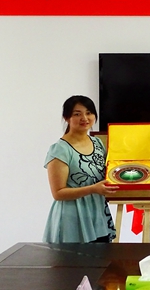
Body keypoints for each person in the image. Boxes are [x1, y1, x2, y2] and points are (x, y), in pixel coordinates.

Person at [43, 95, 118, 243]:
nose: (84, 118)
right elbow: (58, 193)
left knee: (102, 257)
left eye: (89, 113)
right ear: (66, 118)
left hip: (98, 216)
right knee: (76, 258)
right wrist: (92, 189)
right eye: (77, 114)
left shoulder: (97, 143)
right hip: (72, 219)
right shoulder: (60, 150)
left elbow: (108, 173)